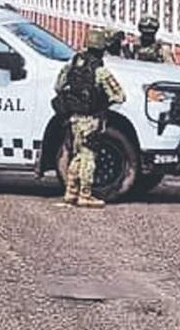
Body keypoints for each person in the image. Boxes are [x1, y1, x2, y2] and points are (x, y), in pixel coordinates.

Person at [53, 29, 126, 208]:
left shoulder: (72, 65)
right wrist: (102, 102)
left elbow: (58, 86)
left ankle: (71, 192)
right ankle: (85, 194)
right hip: (91, 119)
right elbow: (120, 96)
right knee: (89, 157)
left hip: (73, 118)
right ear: (102, 49)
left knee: (77, 156)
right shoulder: (100, 71)